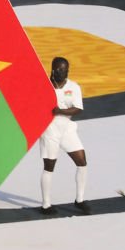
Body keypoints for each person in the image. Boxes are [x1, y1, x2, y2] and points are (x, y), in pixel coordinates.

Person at [36, 56, 88, 215]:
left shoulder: (73, 87)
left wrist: (60, 111)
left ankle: (79, 200)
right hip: (50, 130)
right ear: (53, 69)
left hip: (67, 128)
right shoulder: (44, 86)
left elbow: (78, 108)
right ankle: (46, 205)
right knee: (49, 166)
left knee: (82, 161)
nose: (62, 72)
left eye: (65, 69)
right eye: (59, 69)